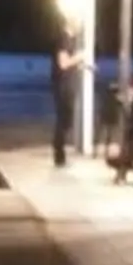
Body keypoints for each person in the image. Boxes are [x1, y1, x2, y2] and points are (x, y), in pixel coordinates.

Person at [49, 29, 84, 168]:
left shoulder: (69, 40)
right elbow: (63, 63)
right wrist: (80, 57)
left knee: (66, 120)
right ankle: (59, 152)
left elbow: (69, 62)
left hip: (66, 85)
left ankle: (59, 151)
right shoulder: (64, 39)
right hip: (63, 86)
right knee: (64, 119)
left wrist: (82, 64)